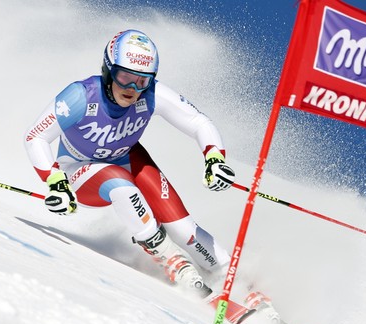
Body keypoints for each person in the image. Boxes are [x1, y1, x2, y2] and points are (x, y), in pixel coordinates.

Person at [24, 29, 236, 299]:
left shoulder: (151, 94)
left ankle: (231, 276)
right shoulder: (81, 96)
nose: (132, 89)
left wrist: (214, 157)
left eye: (142, 81)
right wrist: (55, 183)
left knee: (183, 228)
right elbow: (35, 136)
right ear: (109, 70)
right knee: (120, 184)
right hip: (78, 169)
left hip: (126, 157)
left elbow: (198, 122)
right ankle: (171, 259)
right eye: (125, 77)